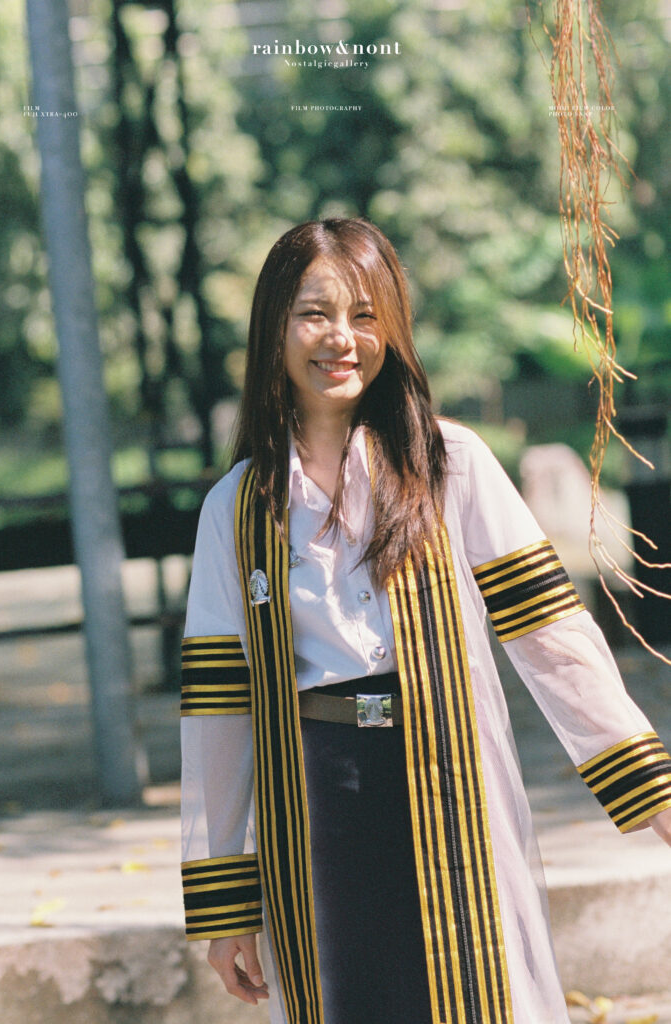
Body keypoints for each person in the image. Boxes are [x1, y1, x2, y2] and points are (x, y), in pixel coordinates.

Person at [179, 218, 671, 1024]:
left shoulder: (450, 465)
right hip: (316, 796)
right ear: (273, 328)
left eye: (364, 315)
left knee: (476, 992)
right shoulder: (235, 507)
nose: (340, 338)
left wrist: (652, 795)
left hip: (449, 775)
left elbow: (554, 642)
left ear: (393, 331)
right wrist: (225, 908)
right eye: (314, 313)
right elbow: (219, 710)